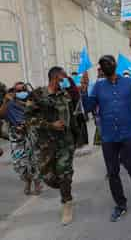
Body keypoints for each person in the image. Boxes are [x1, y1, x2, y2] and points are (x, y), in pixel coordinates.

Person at [81, 55, 131, 222]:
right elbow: (89, 107)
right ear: (102, 69)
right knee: (112, 171)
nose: (107, 66)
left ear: (115, 65)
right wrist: (83, 90)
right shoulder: (98, 86)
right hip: (108, 136)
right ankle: (120, 204)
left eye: (109, 63)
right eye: (104, 64)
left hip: (128, 133)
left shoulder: (129, 83)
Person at [25, 67, 78, 225]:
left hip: (65, 142)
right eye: (63, 77)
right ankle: (63, 186)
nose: (65, 80)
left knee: (64, 173)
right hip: (46, 144)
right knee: (47, 176)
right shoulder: (38, 95)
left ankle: (66, 203)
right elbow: (28, 119)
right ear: (55, 78)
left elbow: (76, 105)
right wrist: (49, 125)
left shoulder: (65, 94)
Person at [0, 83, 42, 195]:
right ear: (13, 92)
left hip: (31, 135)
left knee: (34, 161)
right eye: (17, 90)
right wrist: (6, 101)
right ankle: (27, 181)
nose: (21, 92)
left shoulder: (31, 101)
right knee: (19, 164)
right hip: (16, 137)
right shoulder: (9, 104)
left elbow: (38, 113)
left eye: (23, 89)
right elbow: (1, 114)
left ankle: (37, 183)